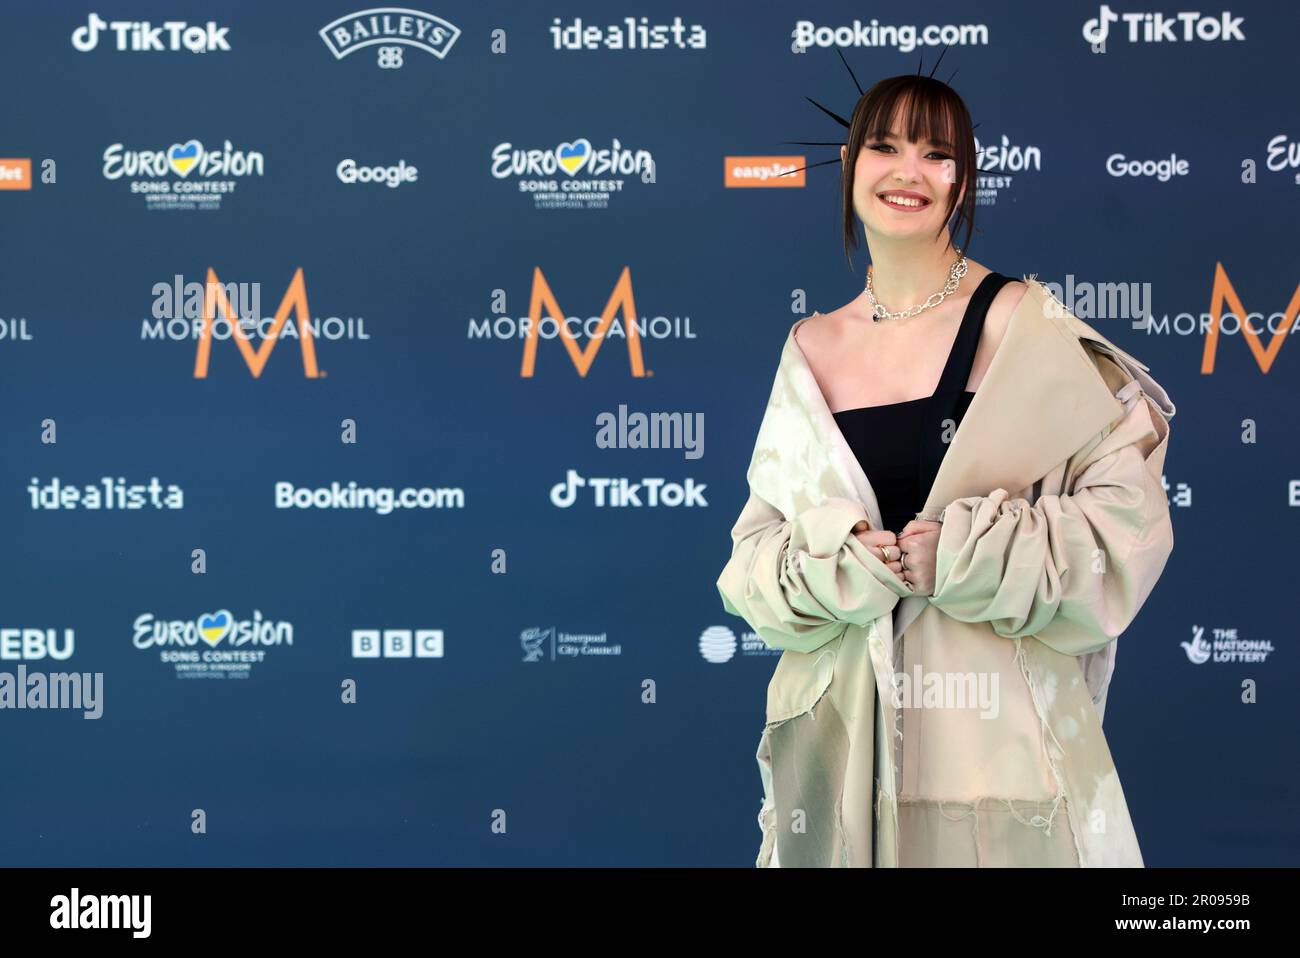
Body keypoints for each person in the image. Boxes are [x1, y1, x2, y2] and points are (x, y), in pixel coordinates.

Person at [716, 71, 1176, 867]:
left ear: (963, 180)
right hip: (838, 772)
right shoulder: (808, 349)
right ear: (850, 161)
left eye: (938, 155)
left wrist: (966, 555)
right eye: (886, 146)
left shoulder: (1026, 325)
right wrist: (837, 563)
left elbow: (1129, 526)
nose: (909, 172)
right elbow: (752, 567)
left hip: (1002, 762)